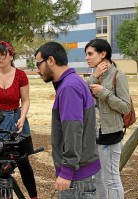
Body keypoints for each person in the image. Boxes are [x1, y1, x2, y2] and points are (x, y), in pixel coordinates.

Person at [34, 41, 101, 199]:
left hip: (77, 178)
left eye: (38, 64)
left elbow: (73, 130)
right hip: (81, 173)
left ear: (50, 60)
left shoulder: (68, 87)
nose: (37, 70)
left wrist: (67, 171)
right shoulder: (73, 81)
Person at [0, 40, 38, 199]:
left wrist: (22, 116)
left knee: (22, 161)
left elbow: (25, 100)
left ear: (11, 56)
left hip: (14, 119)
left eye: (2, 54)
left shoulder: (20, 75)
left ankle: (34, 196)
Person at [85, 38, 131, 199]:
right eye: (86, 54)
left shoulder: (118, 75)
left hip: (111, 135)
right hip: (94, 135)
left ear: (103, 54)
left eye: (90, 54)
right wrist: (94, 76)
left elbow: (126, 107)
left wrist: (104, 93)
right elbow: (81, 93)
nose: (87, 58)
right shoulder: (95, 75)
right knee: (98, 179)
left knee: (111, 179)